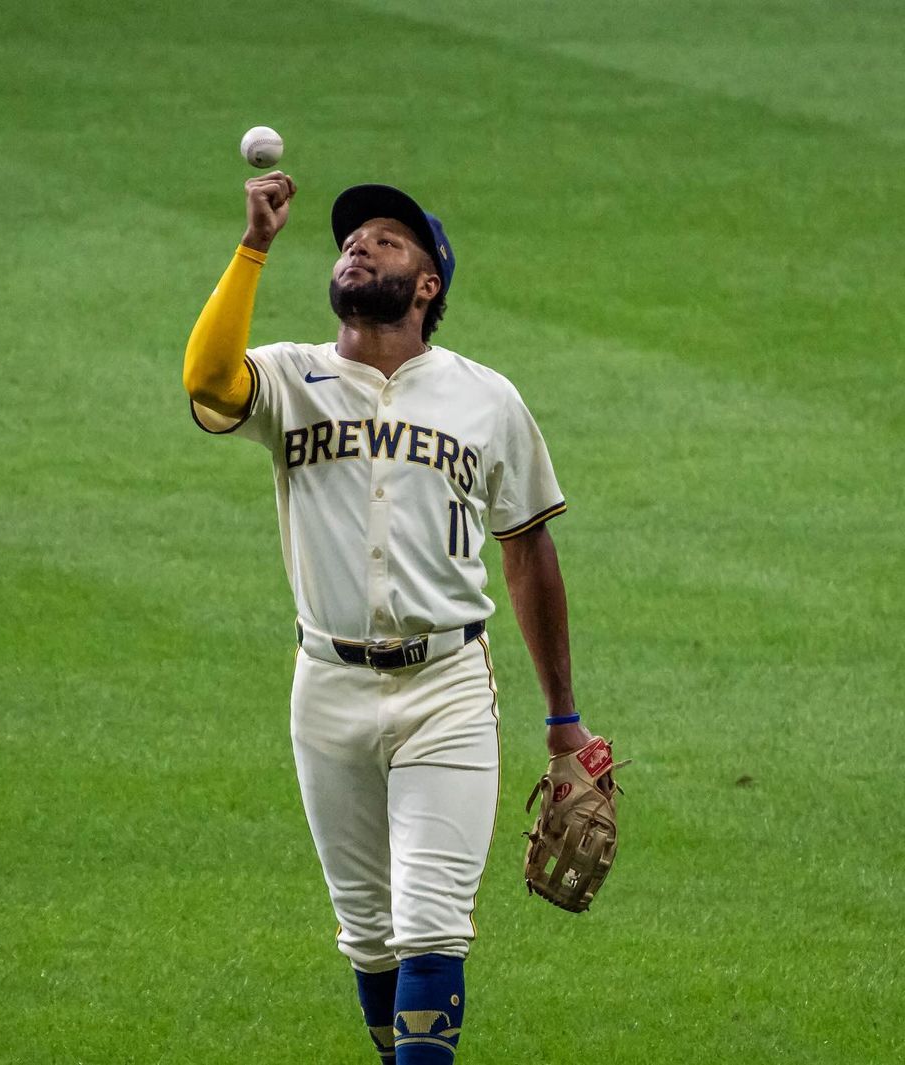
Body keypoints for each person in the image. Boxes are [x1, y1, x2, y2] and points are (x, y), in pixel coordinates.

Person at [183, 172, 596, 1063]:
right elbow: (208, 378)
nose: (358, 247)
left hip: (445, 688)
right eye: (349, 240)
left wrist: (563, 719)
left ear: (427, 283)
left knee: (432, 925)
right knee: (369, 935)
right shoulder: (289, 377)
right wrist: (254, 245)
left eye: (386, 240)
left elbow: (528, 549)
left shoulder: (487, 398)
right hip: (326, 688)